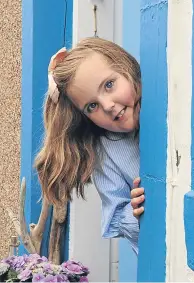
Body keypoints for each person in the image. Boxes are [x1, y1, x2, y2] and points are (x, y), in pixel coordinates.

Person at [35, 37, 144, 254]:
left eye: (109, 85)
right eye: (92, 106)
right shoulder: (105, 149)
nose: (108, 105)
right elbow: (117, 214)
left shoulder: (167, 99)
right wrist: (135, 214)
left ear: (125, 67)